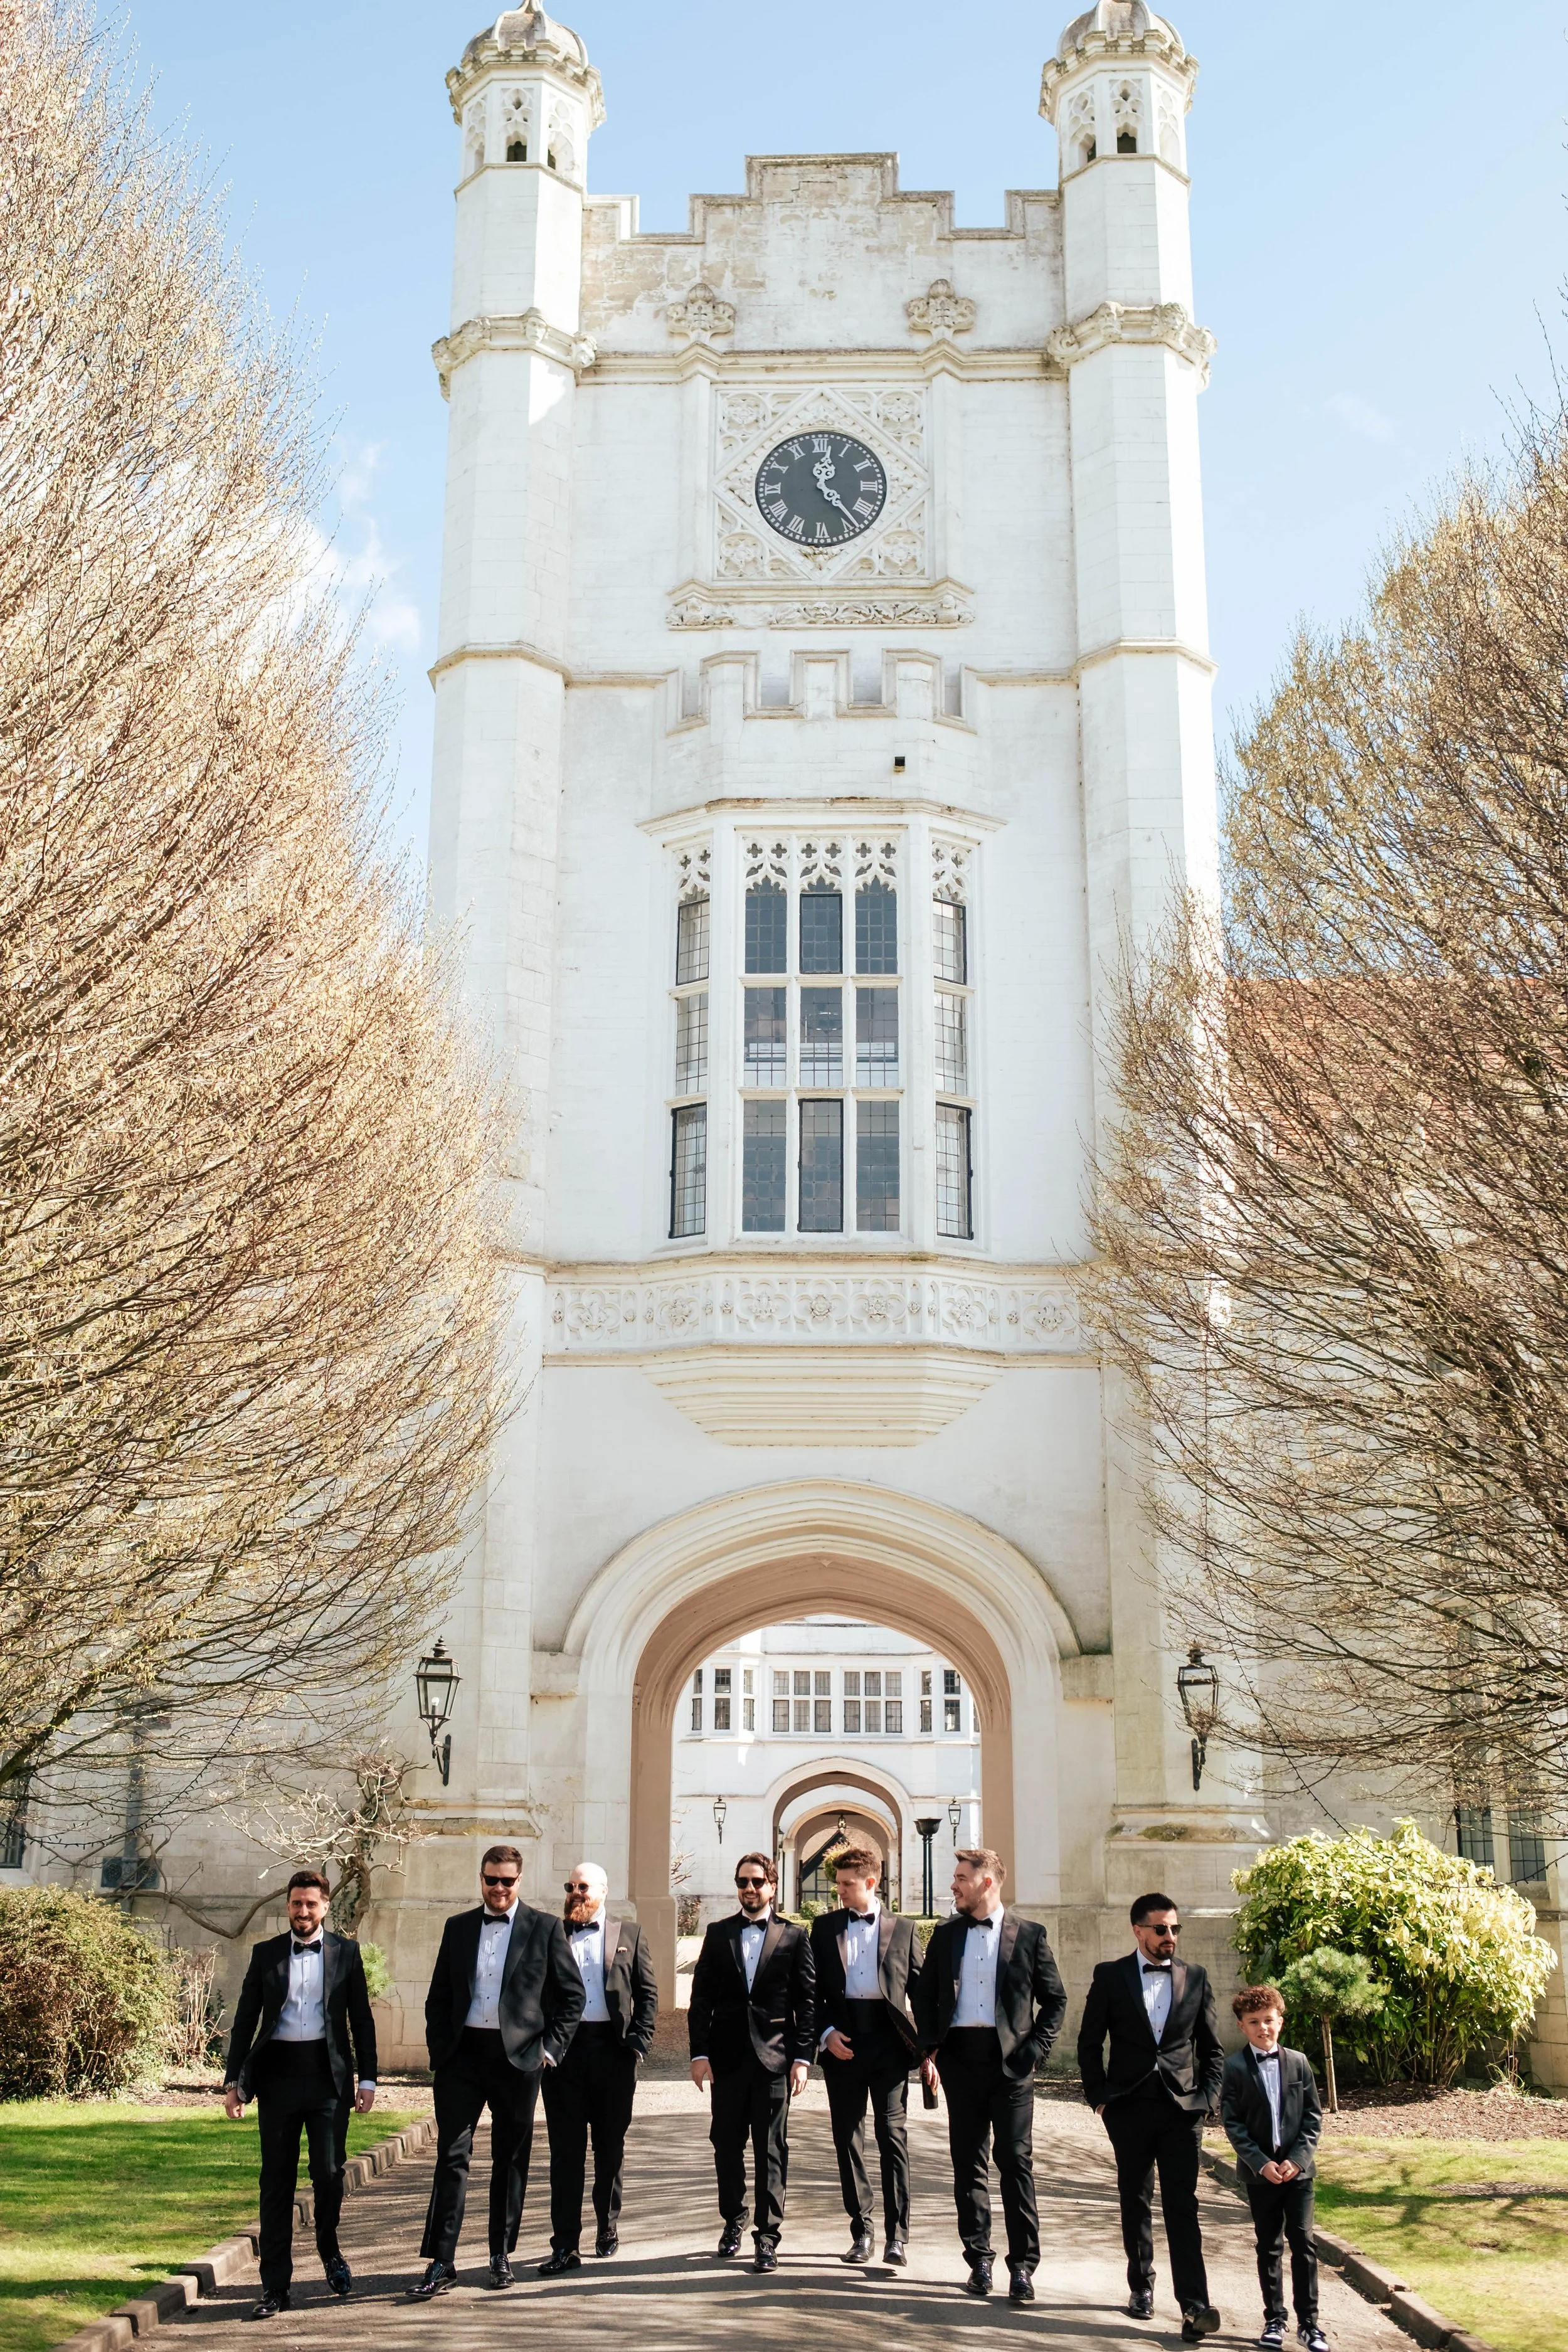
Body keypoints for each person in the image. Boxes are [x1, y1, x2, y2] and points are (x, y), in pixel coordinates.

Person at [412, 1843, 585, 2296]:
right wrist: (439, 2049)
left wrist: (550, 2049)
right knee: (451, 2157)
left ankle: (499, 2255)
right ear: (482, 1879)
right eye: (492, 1880)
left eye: (508, 1881)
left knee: (510, 2160)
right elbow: (439, 1996)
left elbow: (573, 1997)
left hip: (520, 2059)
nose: (499, 1889)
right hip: (462, 2058)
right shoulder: (458, 1927)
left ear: (519, 1882)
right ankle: (441, 2261)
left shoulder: (545, 1928)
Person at [910, 1846, 1067, 2306]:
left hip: (1012, 2064)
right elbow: (923, 1996)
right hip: (960, 2060)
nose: (954, 1885)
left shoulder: (1030, 1935)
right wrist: (930, 2047)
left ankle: (1022, 2268)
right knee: (968, 2164)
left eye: (961, 1877)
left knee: (1016, 2163)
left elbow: (1055, 2000)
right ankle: (979, 2259)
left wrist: (1036, 2051)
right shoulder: (946, 1934)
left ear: (987, 1882)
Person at [223, 1868, 378, 2321]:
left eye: (311, 1904)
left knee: (329, 2174)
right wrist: (234, 2082)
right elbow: (246, 2019)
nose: (303, 1911)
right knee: (276, 2182)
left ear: (325, 1907)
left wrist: (367, 2079)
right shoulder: (266, 1954)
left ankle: (329, 2249)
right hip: (277, 2079)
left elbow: (362, 2020)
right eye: (296, 1904)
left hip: (327, 2079)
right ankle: (274, 2286)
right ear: (287, 1906)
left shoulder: (346, 1953)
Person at [1078, 1891, 1226, 2343]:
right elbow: (1089, 2043)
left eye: (1175, 1929)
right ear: (1138, 1929)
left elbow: (1213, 2050)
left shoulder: (1196, 1978)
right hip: (1129, 2107)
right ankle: (1141, 2286)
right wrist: (1099, 2097)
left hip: (1183, 2110)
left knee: (1183, 2206)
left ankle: (1194, 2305)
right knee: (1135, 2198)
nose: (1170, 1937)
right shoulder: (1110, 1976)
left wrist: (1207, 2099)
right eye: (1161, 1929)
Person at [688, 1850, 815, 2272]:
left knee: (771, 2150)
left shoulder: (795, 1937)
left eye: (757, 1882)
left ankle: (767, 2235)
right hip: (725, 2060)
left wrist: (802, 2057)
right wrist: (699, 2053)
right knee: (725, 2145)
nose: (749, 1888)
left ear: (772, 1886)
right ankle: (733, 2218)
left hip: (774, 2060)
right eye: (743, 1882)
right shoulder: (719, 1932)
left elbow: (807, 2002)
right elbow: (701, 1998)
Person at [538, 1859, 659, 2274]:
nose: (576, 1892)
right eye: (571, 1885)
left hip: (613, 2054)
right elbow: (531, 1991)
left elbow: (647, 1993)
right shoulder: (550, 1934)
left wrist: (638, 2045)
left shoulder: (630, 1933)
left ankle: (607, 2227)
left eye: (584, 1887)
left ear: (603, 1891)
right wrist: (540, 2045)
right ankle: (564, 2245)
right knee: (565, 2156)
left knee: (609, 2150)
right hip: (562, 2058)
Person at [809, 1845, 923, 2267]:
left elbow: (922, 1994)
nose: (838, 1891)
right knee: (848, 2139)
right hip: (842, 2044)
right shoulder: (823, 1929)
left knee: (892, 2138)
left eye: (846, 1884)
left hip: (889, 2044)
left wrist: (929, 2052)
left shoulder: (905, 1929)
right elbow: (810, 1994)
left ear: (870, 1883)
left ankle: (898, 2236)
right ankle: (863, 2230)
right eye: (838, 1884)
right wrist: (824, 2034)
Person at [1220, 1985, 1328, 2352]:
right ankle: (1274, 2320)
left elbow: (1313, 2118)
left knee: (1304, 2243)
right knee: (1269, 2245)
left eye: (1269, 2020)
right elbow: (1232, 2123)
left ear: (1280, 2021)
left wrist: (1297, 2161)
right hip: (1261, 2175)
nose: (1262, 2028)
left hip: (1299, 2174)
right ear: (1242, 2026)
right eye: (1254, 2022)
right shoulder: (1233, 2068)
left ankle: (1310, 2324)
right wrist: (1262, 2163)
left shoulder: (1299, 2063)